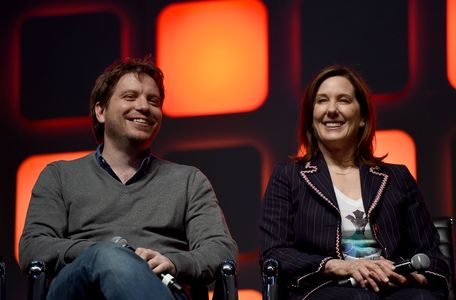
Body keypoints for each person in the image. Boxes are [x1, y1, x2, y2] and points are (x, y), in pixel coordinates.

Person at [19, 56, 238, 299]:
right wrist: (104, 253)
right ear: (100, 111)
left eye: (153, 101)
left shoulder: (189, 181)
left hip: (162, 289)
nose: (144, 107)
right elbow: (33, 247)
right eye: (130, 97)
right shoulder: (59, 176)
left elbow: (221, 250)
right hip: (80, 291)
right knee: (107, 256)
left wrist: (173, 262)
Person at [259, 65, 449, 299]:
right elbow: (274, 254)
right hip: (323, 289)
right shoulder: (287, 177)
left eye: (344, 100)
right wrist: (338, 265)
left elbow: (434, 259)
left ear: (362, 118)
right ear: (311, 116)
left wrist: (406, 275)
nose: (331, 110)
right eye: (321, 101)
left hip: (393, 289)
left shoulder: (397, 177)